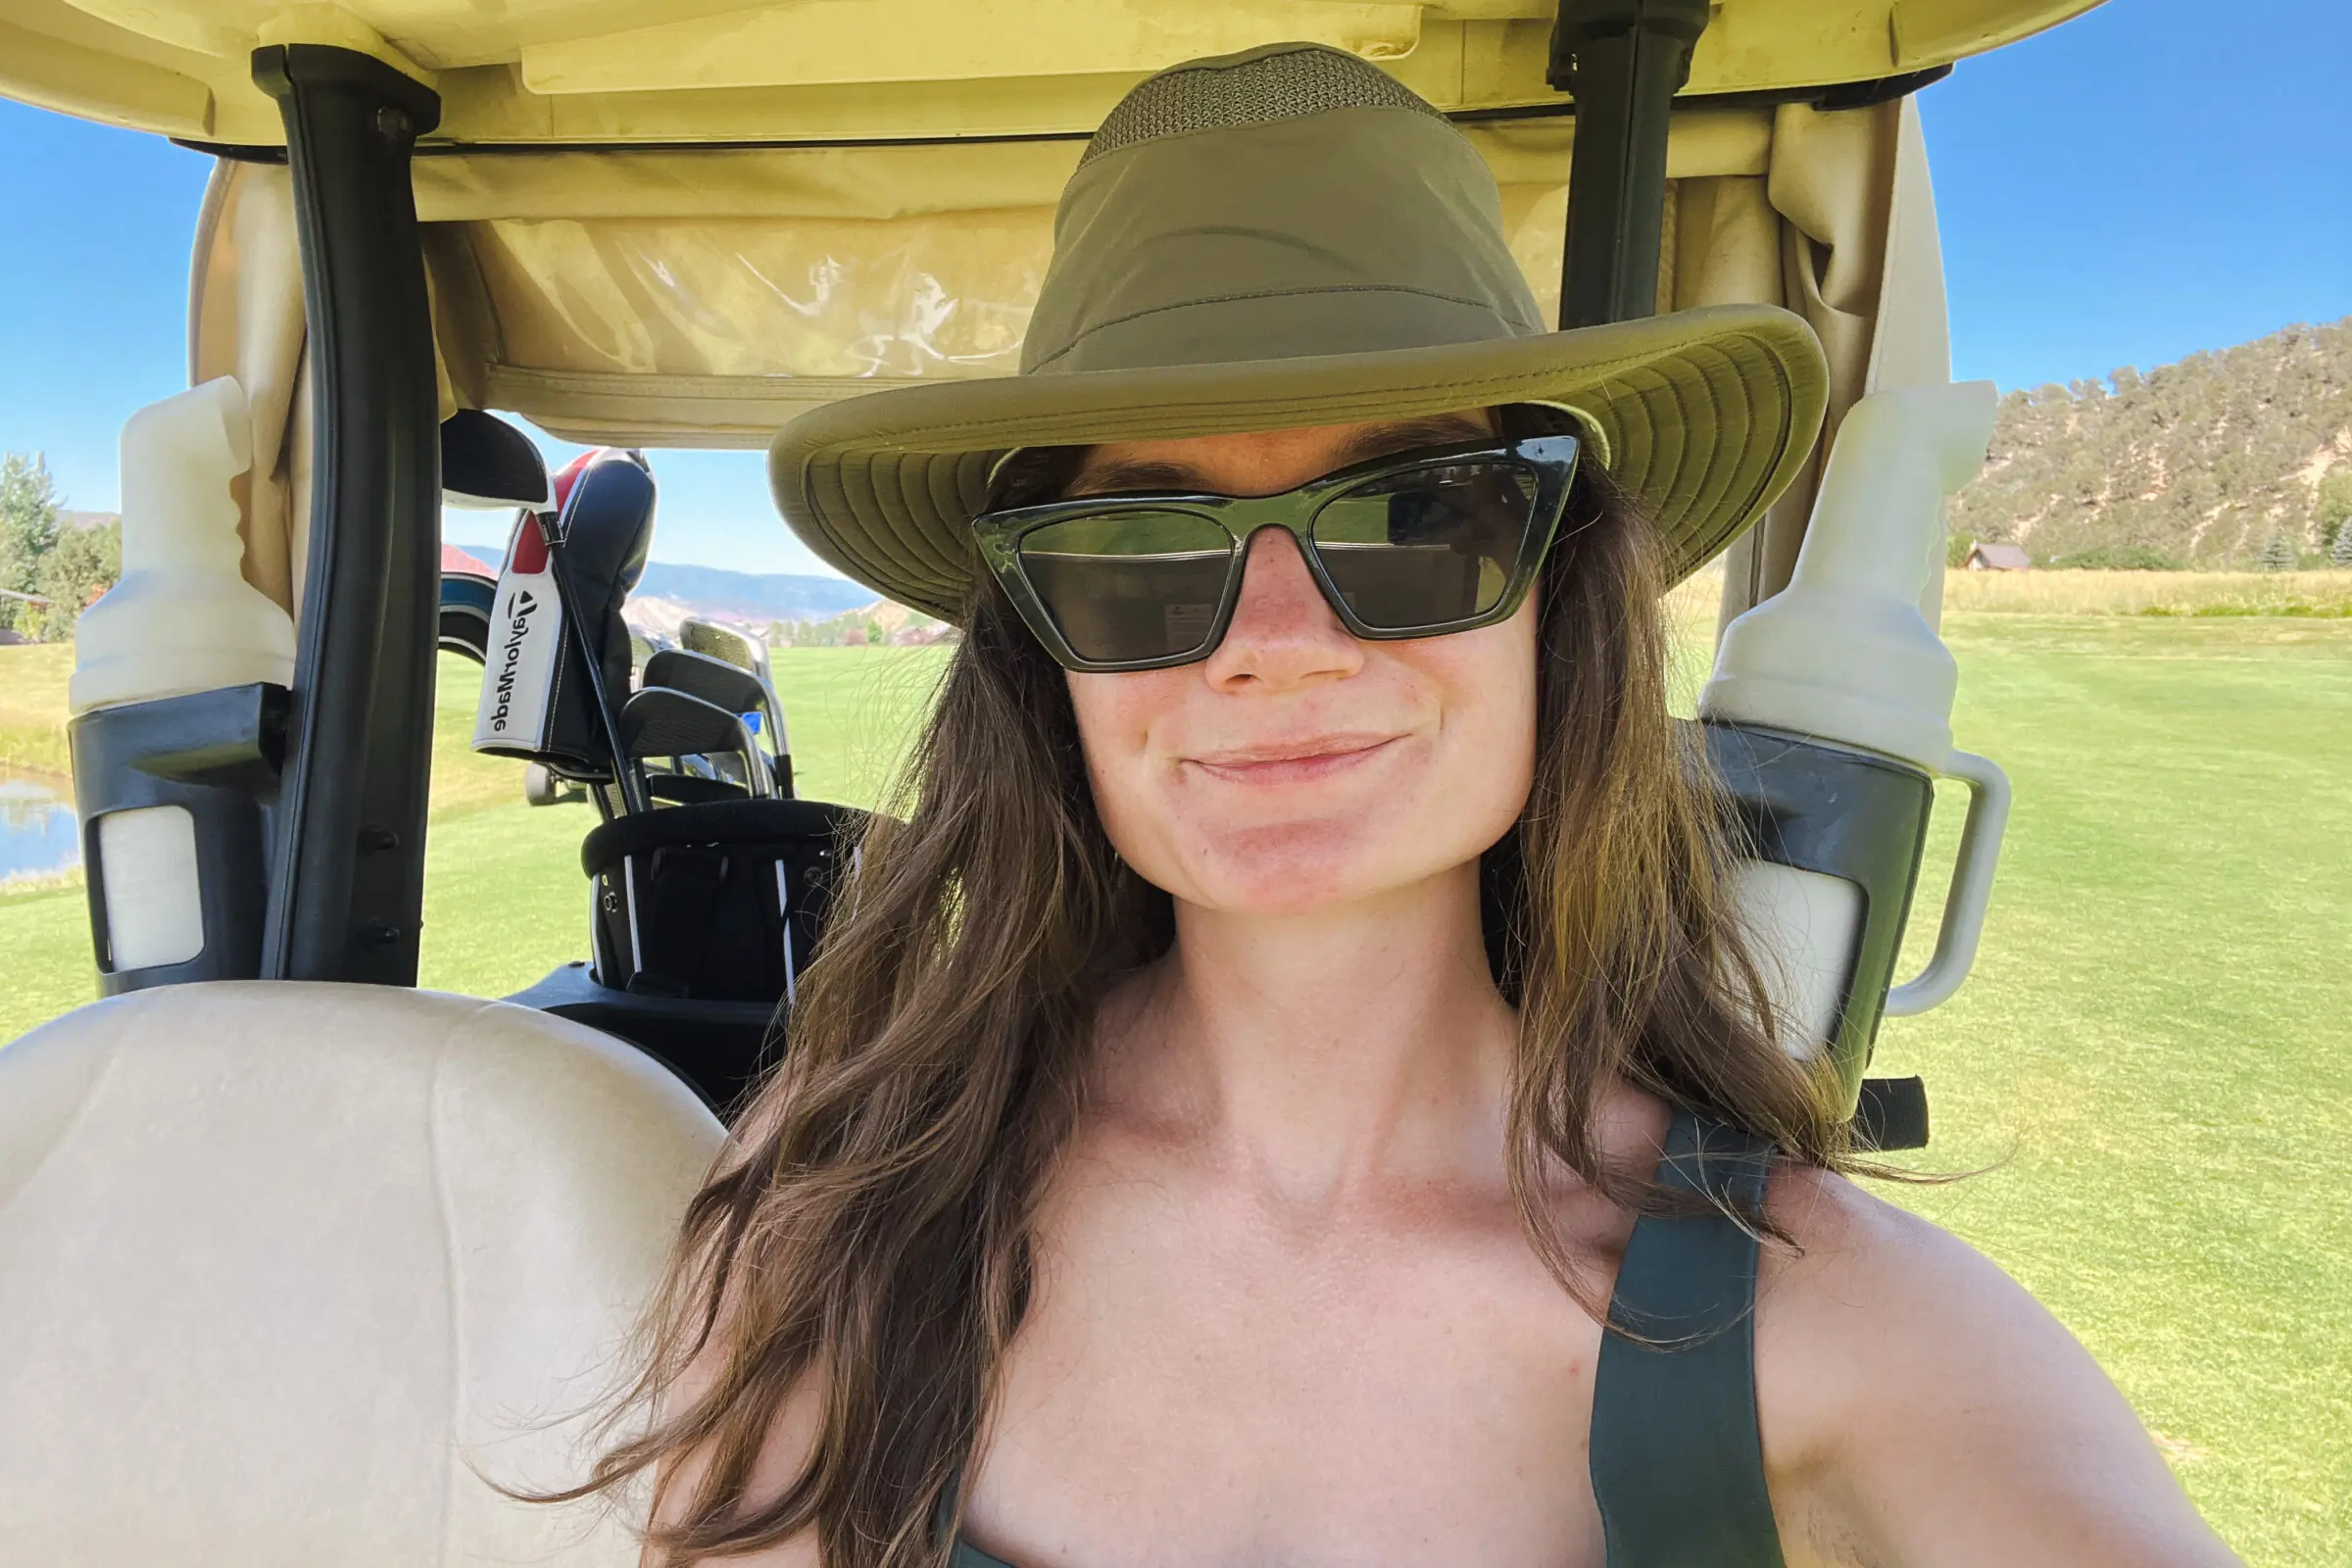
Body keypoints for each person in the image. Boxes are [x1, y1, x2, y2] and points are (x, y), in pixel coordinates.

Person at [561, 42, 2240, 1568]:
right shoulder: (852, 1202)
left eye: (1416, 518)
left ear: (1555, 598)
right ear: (1040, 661)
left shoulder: (1839, 1332)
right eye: (1142, 552)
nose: (1277, 652)